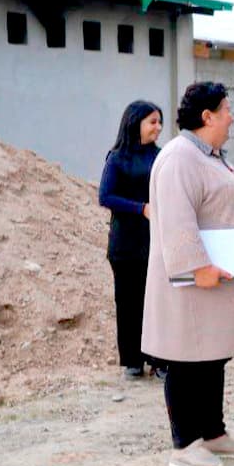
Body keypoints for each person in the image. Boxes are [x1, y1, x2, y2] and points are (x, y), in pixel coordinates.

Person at [143, 82, 234, 466]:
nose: (232, 118)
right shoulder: (179, 157)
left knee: (212, 355)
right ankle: (185, 444)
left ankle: (212, 433)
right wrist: (196, 265)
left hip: (215, 280)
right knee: (186, 357)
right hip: (193, 281)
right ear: (207, 116)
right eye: (227, 110)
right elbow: (175, 218)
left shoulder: (210, 156)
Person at [99, 100, 164, 381]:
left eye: (159, 122)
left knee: (158, 303)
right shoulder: (117, 158)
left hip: (156, 243)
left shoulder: (161, 157)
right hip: (125, 245)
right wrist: (141, 208)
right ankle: (132, 360)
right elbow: (106, 196)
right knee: (128, 303)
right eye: (152, 122)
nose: (158, 128)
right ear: (135, 123)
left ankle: (160, 359)